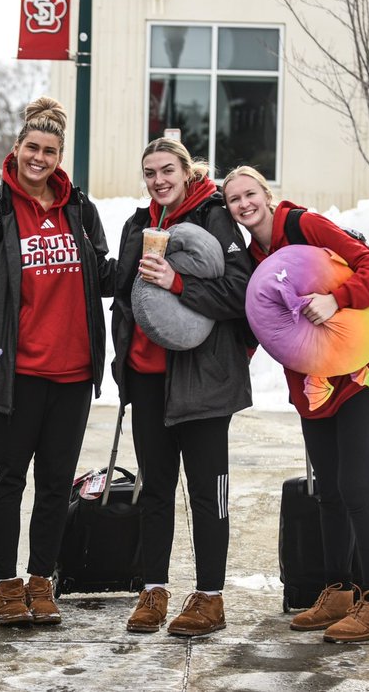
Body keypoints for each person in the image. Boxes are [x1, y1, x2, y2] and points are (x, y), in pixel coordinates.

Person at [0, 96, 115, 626]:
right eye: (33, 147)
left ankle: (42, 580)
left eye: (50, 150)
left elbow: (103, 274)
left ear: (59, 154)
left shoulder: (79, 209)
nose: (40, 158)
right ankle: (5, 583)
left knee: (55, 485)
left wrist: (156, 255)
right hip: (14, 375)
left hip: (72, 375)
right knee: (5, 482)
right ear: (18, 147)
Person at [222, 165, 369, 643]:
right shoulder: (254, 255)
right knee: (328, 492)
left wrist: (337, 299)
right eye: (234, 199)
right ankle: (338, 592)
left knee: (357, 486)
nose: (244, 204)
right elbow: (265, 322)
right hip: (314, 389)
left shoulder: (305, 226)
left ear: (266, 193)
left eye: (250, 194)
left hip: (361, 377)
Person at [111, 138, 252, 637]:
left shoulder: (215, 216)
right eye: (149, 172)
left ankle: (210, 597)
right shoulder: (139, 223)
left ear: (186, 171)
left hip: (203, 380)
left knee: (207, 490)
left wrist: (177, 282)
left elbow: (240, 291)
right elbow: (123, 289)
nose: (158, 180)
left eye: (167, 170)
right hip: (148, 379)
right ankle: (154, 589)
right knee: (155, 490)